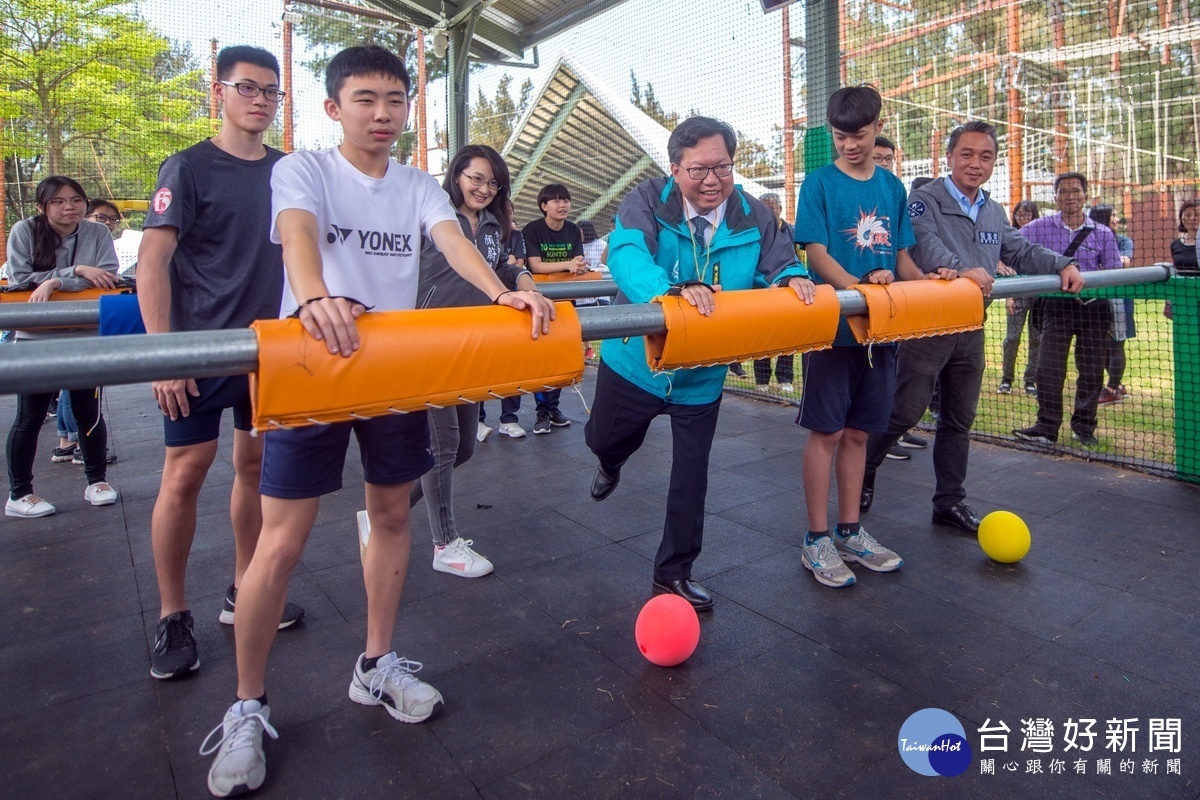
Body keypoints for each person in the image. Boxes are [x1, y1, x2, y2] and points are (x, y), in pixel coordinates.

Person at [199, 46, 554, 799]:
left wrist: (502, 292)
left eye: (395, 99)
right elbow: (297, 235)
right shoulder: (303, 171)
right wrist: (317, 296)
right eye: (365, 99)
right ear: (334, 108)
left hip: (392, 368)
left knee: (392, 513)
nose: (383, 113)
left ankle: (376, 665)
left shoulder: (420, 184)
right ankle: (246, 705)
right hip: (315, 360)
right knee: (280, 540)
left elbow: (453, 240)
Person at [586, 116, 814, 611]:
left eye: (723, 168)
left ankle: (675, 573)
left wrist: (793, 277)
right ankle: (609, 461)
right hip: (636, 362)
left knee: (692, 475)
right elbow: (625, 254)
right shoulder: (646, 199)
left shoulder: (752, 212)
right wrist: (668, 294)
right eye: (699, 170)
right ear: (674, 168)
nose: (712, 180)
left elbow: (781, 259)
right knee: (605, 439)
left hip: (702, 373)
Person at [137, 46, 304, 682]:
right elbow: (152, 263)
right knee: (184, 472)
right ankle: (173, 613)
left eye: (271, 92)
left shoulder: (289, 172)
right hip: (199, 349)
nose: (259, 100)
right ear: (220, 92)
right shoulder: (188, 167)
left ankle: (244, 587)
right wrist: (166, 353)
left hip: (269, 354)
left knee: (255, 465)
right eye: (247, 88)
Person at [859, 121, 1084, 533]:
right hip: (928, 327)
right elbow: (924, 246)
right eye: (967, 154)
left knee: (959, 420)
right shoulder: (923, 201)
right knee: (904, 411)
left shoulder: (993, 210)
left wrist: (1062, 264)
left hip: (971, 327)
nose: (975, 164)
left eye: (985, 157)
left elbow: (1019, 249)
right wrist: (965, 271)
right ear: (949, 158)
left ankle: (949, 502)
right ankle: (863, 473)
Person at [793, 86, 916, 588]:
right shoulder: (819, 184)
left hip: (881, 332)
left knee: (862, 433)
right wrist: (858, 288)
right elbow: (816, 255)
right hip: (833, 330)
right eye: (841, 137)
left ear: (877, 126)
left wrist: (934, 281)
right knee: (827, 432)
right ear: (831, 133)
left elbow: (903, 259)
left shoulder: (892, 187)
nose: (850, 145)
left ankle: (850, 531)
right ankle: (816, 539)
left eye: (859, 136)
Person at [407, 143, 539, 578]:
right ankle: (444, 543)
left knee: (463, 448)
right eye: (475, 178)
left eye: (492, 182)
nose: (483, 188)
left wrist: (522, 277)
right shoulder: (433, 214)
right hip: (428, 343)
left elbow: (499, 266)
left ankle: (385, 505)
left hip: (469, 344)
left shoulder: (489, 226)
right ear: (457, 175)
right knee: (442, 447)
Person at [4, 175, 120, 519]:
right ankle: (19, 493)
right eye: (58, 201)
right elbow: (20, 280)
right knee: (31, 415)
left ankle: (97, 481)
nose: (69, 207)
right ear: (43, 206)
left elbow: (108, 274)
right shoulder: (24, 231)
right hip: (36, 334)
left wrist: (56, 280)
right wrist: (78, 270)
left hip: (85, 331)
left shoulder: (97, 233)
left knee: (89, 410)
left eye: (76, 200)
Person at [1013, 173, 1122, 447]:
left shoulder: (1103, 233)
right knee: (1047, 367)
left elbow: (1114, 272)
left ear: (1086, 195)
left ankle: (1084, 426)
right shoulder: (1037, 228)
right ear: (1055, 197)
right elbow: (1012, 248)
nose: (1070, 196)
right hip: (1056, 307)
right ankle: (1046, 426)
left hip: (1094, 309)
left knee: (1092, 369)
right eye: (1063, 191)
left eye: (1076, 191)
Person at [522, 183, 585, 434]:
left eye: (566, 200)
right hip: (540, 300)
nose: (563, 205)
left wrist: (577, 265)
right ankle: (541, 412)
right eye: (557, 201)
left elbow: (577, 263)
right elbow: (535, 266)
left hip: (566, 302)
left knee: (560, 356)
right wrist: (568, 264)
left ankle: (554, 409)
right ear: (543, 206)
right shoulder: (533, 230)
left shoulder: (572, 230)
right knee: (541, 357)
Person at [479, 206, 529, 441]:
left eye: (509, 210)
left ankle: (509, 419)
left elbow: (512, 263)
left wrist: (521, 276)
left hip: (509, 307)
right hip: (477, 310)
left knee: (513, 364)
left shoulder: (512, 235)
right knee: (477, 365)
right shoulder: (460, 226)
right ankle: (477, 420)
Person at [1089, 205, 1135, 404]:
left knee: (1117, 342)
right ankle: (1114, 385)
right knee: (1100, 343)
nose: (1117, 219)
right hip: (1095, 297)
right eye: (1113, 216)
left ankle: (1112, 388)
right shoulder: (1090, 237)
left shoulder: (1123, 240)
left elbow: (1124, 262)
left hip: (1118, 297)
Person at [752, 192, 797, 393]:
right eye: (766, 206)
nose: (771, 210)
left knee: (788, 336)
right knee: (761, 338)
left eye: (774, 206)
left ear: (780, 208)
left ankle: (785, 378)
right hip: (761, 292)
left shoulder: (792, 231)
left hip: (787, 293)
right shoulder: (753, 231)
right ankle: (762, 380)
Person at [998, 199, 1042, 395]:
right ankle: (1006, 379)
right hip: (1017, 292)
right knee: (1012, 337)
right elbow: (1004, 265)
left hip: (1039, 294)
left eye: (1027, 215)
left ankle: (1031, 380)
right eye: (1019, 215)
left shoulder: (1041, 234)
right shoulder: (1010, 237)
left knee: (1037, 339)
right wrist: (1009, 296)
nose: (1022, 218)